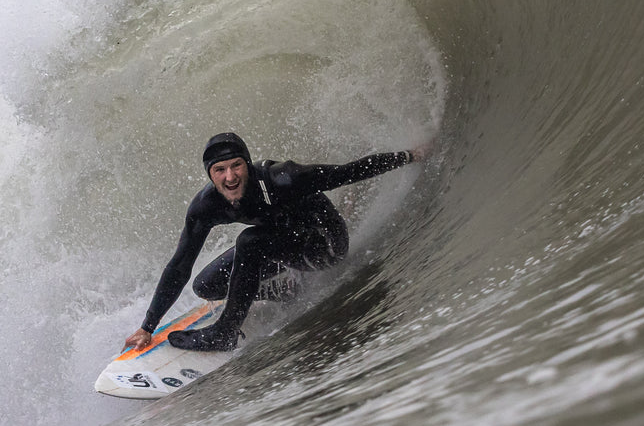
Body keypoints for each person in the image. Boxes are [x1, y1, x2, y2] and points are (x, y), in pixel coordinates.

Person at [124, 131, 430, 353]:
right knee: (207, 286)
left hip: (324, 245)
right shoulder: (207, 206)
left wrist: (411, 156)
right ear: (210, 175)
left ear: (247, 164)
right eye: (220, 170)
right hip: (280, 243)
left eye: (236, 166)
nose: (230, 177)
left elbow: (349, 171)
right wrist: (147, 326)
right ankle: (287, 289)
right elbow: (180, 264)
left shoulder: (284, 179)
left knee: (250, 241)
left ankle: (225, 333)